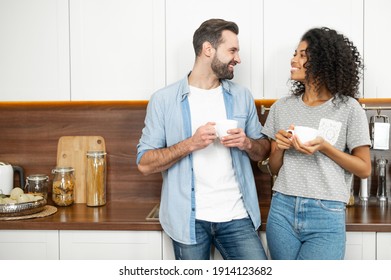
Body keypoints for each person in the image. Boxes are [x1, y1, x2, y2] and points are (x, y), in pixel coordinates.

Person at [137, 18, 270, 260]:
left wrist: (247, 143)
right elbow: (145, 163)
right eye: (232, 50)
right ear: (208, 49)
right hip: (188, 220)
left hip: (238, 216)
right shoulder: (164, 100)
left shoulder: (242, 96)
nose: (238, 59)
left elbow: (263, 152)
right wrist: (191, 143)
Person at [262, 27, 371, 260]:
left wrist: (325, 147)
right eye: (295, 54)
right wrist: (279, 148)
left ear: (323, 62)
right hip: (282, 208)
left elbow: (364, 168)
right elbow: (273, 168)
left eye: (303, 55)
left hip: (326, 213)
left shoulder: (349, 108)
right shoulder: (282, 107)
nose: (294, 59)